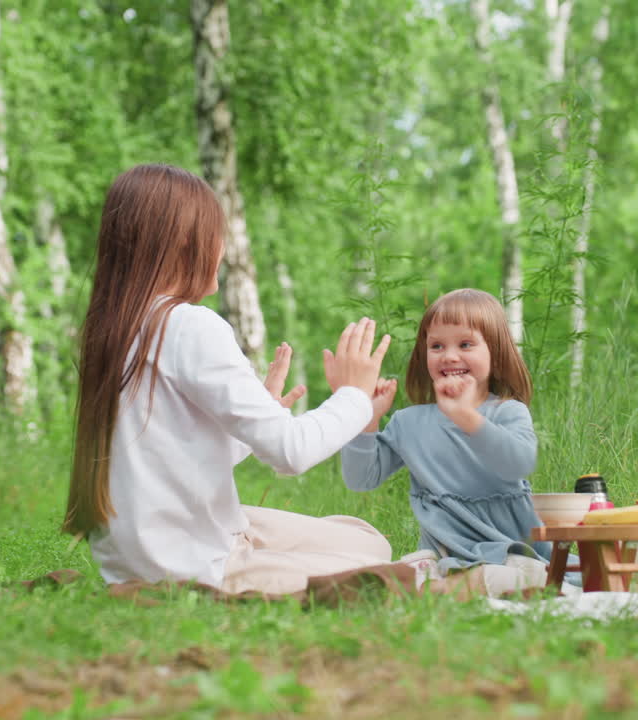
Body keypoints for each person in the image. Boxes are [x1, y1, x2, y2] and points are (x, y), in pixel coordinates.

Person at [62, 163, 398, 597]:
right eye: (216, 234)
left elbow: (172, 454)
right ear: (186, 242)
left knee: (367, 540)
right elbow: (290, 453)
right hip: (198, 567)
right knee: (373, 564)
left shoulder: (116, 330)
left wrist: (255, 415)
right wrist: (354, 397)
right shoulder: (187, 325)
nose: (222, 249)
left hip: (147, 556)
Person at [340, 289, 552, 597]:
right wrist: (368, 421)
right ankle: (444, 585)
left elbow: (518, 461)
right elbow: (360, 479)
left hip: (508, 548)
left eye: (465, 344)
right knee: (390, 576)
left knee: (506, 576)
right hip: (442, 554)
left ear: (495, 352)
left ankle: (458, 587)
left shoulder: (508, 411)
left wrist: (466, 416)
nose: (449, 356)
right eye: (436, 345)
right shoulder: (408, 422)